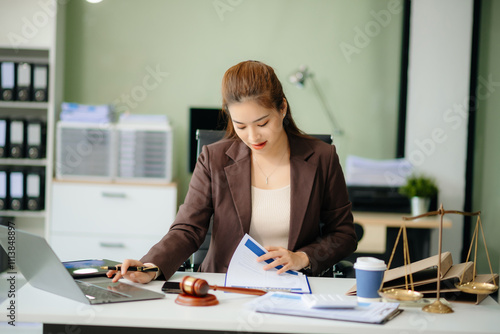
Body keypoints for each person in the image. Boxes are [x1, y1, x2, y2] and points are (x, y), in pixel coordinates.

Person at [108, 60, 357, 284]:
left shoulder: (322, 157)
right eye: (240, 126)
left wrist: (303, 257)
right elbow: (188, 229)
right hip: (224, 285)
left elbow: (344, 234)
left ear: (282, 108)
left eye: (262, 123)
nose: (252, 136)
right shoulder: (213, 159)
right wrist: (151, 265)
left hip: (292, 287)